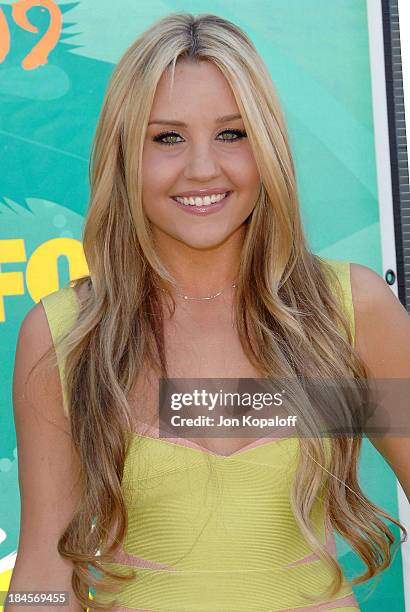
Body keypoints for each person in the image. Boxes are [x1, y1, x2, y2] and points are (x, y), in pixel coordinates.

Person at [8, 12, 410, 612]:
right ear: (124, 151)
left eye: (232, 133)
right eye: (167, 137)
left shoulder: (348, 313)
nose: (203, 168)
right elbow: (44, 561)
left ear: (267, 145)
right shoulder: (67, 334)